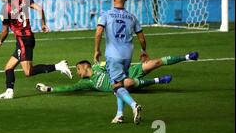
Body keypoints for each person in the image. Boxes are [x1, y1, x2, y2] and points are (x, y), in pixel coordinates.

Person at [36, 52, 200, 122]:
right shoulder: (86, 83)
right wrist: (51, 89)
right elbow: (69, 88)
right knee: (127, 83)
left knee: (155, 63)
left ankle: (186, 57)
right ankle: (157, 81)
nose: (77, 72)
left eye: (78, 69)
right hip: (125, 82)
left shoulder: (99, 66)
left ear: (86, 66)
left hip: (130, 71)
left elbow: (112, 62)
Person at [0, 0, 72, 100]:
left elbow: (5, 31)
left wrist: (0, 41)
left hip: (22, 41)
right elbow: (40, 9)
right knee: (9, 67)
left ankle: (58, 66)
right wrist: (44, 24)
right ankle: (9, 91)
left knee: (28, 72)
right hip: (28, 38)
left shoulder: (5, 9)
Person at [94, 0, 145, 124]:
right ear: (125, 0)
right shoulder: (132, 17)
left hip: (113, 55)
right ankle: (120, 114)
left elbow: (98, 33)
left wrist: (96, 50)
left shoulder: (106, 14)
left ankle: (134, 105)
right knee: (120, 84)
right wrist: (144, 51)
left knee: (116, 85)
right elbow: (141, 38)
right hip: (127, 55)